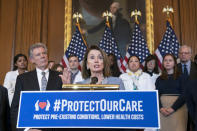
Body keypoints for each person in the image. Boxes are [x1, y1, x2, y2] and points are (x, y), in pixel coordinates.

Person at [11, 43, 63, 131]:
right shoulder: (22, 79)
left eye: (44, 53)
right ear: (32, 60)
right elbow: (15, 109)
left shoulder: (60, 77)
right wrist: (26, 129)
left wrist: (67, 85)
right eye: (38, 54)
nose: (42, 56)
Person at [155, 54, 187, 131]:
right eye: (165, 60)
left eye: (170, 60)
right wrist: (161, 108)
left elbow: (184, 94)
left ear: (174, 63)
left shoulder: (182, 77)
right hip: (162, 111)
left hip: (178, 108)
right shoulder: (159, 79)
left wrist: (173, 108)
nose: (167, 62)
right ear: (162, 63)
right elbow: (156, 95)